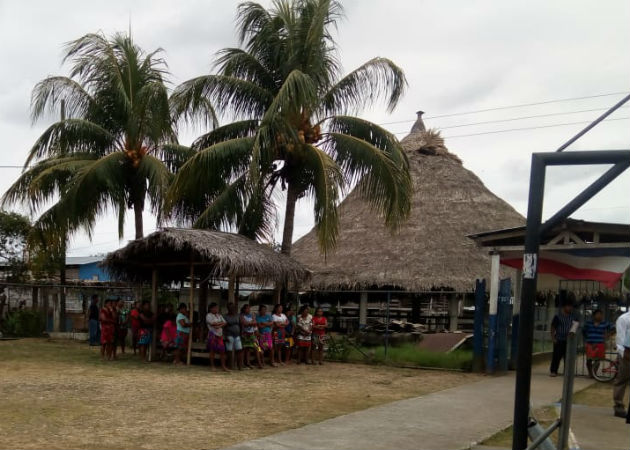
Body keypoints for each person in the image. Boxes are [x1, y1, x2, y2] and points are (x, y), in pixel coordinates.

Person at [549, 300, 577, 377]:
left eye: (571, 306)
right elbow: (553, 327)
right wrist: (553, 338)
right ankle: (553, 371)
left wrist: (572, 333)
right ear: (564, 307)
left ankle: (567, 372)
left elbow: (575, 326)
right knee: (556, 356)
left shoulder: (573, 317)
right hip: (559, 339)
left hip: (569, 340)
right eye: (568, 306)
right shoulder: (558, 317)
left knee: (568, 357)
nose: (570, 308)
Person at [582, 309, 612, 378]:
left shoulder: (605, 323)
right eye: (598, 314)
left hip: (599, 344)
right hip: (590, 344)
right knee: (589, 360)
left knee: (597, 360)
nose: (600, 316)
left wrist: (608, 335)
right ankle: (590, 373)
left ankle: (594, 374)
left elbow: (613, 328)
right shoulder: (588, 323)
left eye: (601, 315)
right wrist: (587, 338)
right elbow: (583, 331)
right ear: (594, 315)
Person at [613, 308, 630, 418]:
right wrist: (624, 355)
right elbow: (620, 339)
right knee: (622, 380)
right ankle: (619, 406)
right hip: (626, 354)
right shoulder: (624, 319)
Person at [206, 303, 228, 371]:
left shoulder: (219, 315)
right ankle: (212, 366)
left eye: (217, 308)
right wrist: (220, 323)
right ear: (210, 308)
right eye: (215, 308)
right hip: (213, 334)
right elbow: (212, 324)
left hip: (219, 335)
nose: (216, 309)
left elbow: (225, 322)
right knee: (212, 351)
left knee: (222, 351)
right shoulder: (208, 315)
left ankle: (223, 366)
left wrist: (219, 325)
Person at [240, 304, 262, 369]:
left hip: (252, 334)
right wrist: (251, 323)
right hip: (245, 334)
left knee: (257, 347)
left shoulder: (252, 315)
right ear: (244, 309)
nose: (249, 310)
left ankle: (259, 363)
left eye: (249, 308)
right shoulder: (242, 316)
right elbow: (245, 324)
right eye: (247, 308)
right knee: (246, 349)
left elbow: (255, 323)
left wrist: (250, 323)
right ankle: (246, 363)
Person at [224, 303, 243, 370]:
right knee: (229, 351)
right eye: (230, 308)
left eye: (233, 307)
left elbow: (241, 325)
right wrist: (225, 336)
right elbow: (224, 327)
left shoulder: (237, 316)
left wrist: (241, 334)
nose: (232, 309)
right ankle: (230, 366)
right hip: (229, 335)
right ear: (228, 308)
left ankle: (240, 366)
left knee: (239, 350)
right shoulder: (225, 316)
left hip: (237, 335)